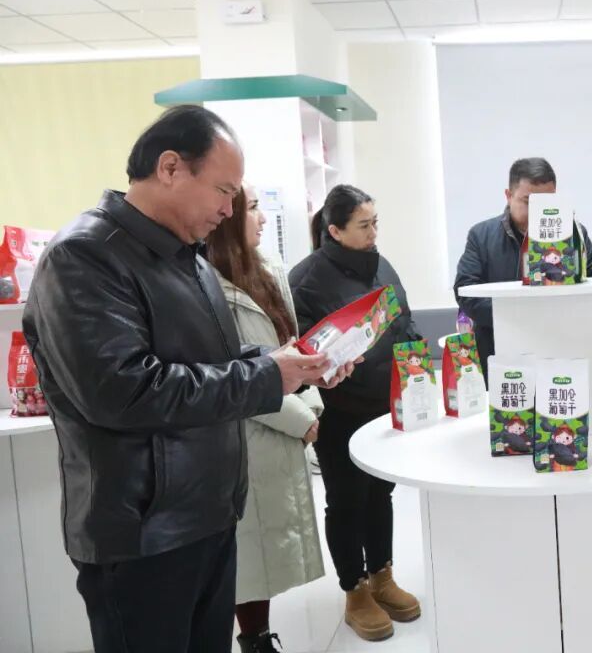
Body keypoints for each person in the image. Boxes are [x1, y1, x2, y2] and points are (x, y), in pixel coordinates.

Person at [21, 105, 353, 653]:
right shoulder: (84, 256)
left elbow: (214, 357)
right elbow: (125, 392)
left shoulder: (188, 258)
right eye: (223, 191)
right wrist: (266, 376)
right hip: (143, 535)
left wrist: (294, 365)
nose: (229, 209)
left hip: (210, 517)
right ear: (171, 167)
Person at [289, 184, 422, 642]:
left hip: (384, 405)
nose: (373, 233)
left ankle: (383, 575)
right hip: (340, 410)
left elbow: (403, 318)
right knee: (346, 500)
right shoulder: (306, 279)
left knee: (380, 493)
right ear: (335, 231)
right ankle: (355, 589)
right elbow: (304, 350)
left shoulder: (382, 265)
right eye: (363, 225)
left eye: (375, 223)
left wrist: (415, 362)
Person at [206, 184, 326, 653]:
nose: (262, 218)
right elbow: (231, 369)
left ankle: (258, 636)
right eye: (253, 208)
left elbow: (289, 346)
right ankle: (254, 641)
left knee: (266, 549)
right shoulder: (205, 284)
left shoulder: (268, 268)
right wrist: (300, 417)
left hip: (284, 419)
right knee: (247, 552)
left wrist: (311, 399)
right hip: (247, 431)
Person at [454, 157, 592, 376]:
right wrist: (520, 318)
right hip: (500, 355)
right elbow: (466, 292)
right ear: (508, 196)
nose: (538, 212)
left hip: (561, 352)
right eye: (529, 202)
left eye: (547, 202)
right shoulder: (481, 235)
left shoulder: (574, 233)